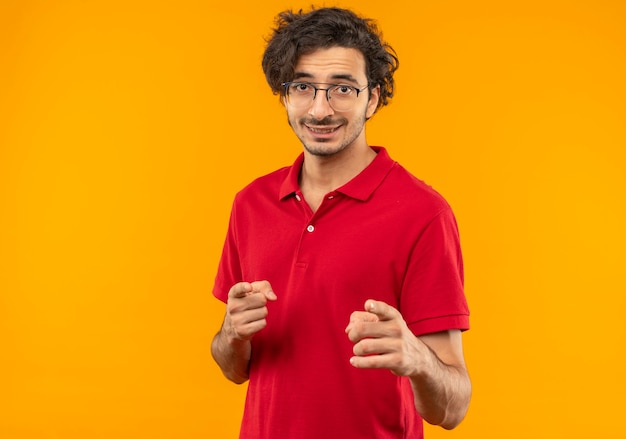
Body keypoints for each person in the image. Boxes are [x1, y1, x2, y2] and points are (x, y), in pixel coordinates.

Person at [211, 7, 471, 439]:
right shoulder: (251, 204)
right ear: (284, 95)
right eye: (303, 87)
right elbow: (234, 370)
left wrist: (417, 359)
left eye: (342, 89)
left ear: (373, 98)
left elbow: (453, 408)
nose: (320, 109)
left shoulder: (423, 213)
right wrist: (231, 335)